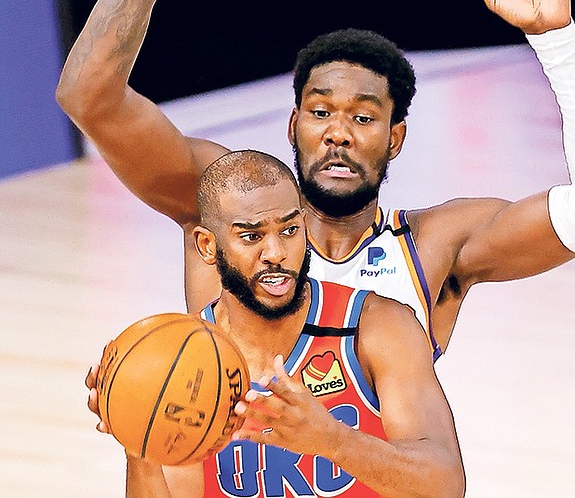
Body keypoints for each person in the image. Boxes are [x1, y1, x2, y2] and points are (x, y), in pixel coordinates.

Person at [57, 0, 575, 358]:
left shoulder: (438, 245)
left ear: (395, 138)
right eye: (320, 112)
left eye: (364, 118)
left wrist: (557, 39)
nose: (338, 132)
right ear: (294, 125)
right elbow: (90, 97)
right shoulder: (222, 196)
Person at [88, 149, 466, 497]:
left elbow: (445, 484)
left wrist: (333, 440)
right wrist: (140, 444)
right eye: (252, 236)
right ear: (207, 246)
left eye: (289, 230)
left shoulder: (377, 327)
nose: (276, 253)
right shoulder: (187, 364)